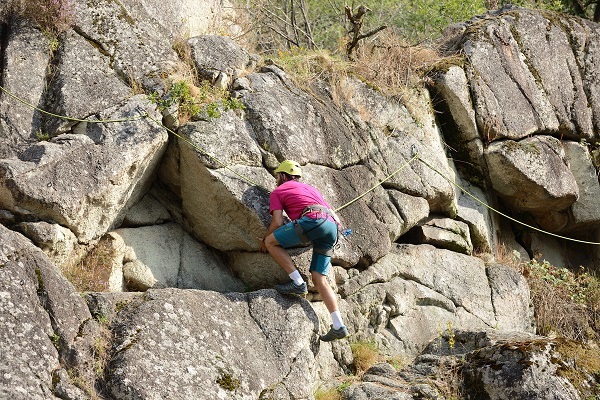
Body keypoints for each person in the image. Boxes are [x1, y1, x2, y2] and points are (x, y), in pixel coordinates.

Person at [258, 160, 349, 342]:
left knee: (271, 242)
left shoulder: (278, 192)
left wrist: (264, 240)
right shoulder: (311, 189)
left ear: (283, 176)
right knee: (319, 279)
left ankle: (298, 282)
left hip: (314, 222)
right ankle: (338, 325)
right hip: (332, 228)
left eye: (277, 176)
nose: (276, 179)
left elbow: (276, 223)